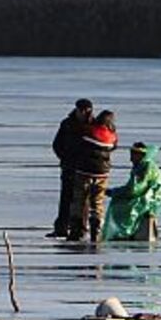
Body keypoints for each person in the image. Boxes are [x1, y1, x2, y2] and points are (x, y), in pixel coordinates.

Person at [65, 110, 118, 242]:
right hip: (103, 173)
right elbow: (113, 148)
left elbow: (77, 144)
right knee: (98, 202)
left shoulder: (89, 131)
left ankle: (77, 230)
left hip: (84, 171)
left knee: (80, 200)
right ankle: (96, 230)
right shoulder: (112, 136)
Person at [48, 98, 94, 238]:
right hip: (69, 166)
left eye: (88, 110)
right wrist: (65, 158)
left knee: (84, 200)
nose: (85, 112)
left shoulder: (95, 124)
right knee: (66, 198)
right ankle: (61, 228)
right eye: (82, 110)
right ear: (77, 109)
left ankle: (81, 228)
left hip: (86, 168)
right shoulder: (67, 124)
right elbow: (57, 144)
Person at [103, 142, 161, 242]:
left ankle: (126, 231)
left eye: (133, 155)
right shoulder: (143, 166)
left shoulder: (145, 167)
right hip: (148, 197)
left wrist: (114, 192)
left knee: (119, 205)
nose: (131, 159)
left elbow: (134, 190)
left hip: (149, 200)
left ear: (141, 155)